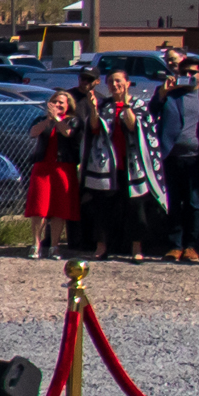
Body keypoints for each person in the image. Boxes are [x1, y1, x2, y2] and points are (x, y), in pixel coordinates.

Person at [80, 69, 166, 261]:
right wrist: (93, 109)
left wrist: (126, 105)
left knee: (136, 208)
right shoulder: (104, 105)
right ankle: (101, 247)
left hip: (132, 166)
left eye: (118, 81)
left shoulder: (139, 105)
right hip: (108, 167)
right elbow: (94, 128)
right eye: (110, 82)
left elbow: (133, 126)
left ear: (128, 83)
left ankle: (137, 248)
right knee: (103, 208)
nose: (114, 85)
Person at [147, 54, 199, 264]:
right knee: (174, 202)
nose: (188, 76)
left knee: (194, 202)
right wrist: (162, 93)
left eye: (193, 73)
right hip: (172, 156)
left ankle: (192, 245)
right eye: (184, 73)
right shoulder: (171, 95)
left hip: (198, 157)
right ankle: (175, 245)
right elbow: (150, 113)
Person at [20, 90, 82, 258]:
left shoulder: (73, 120)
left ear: (68, 105)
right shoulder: (42, 120)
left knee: (59, 208)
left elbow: (68, 133)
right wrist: (48, 119)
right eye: (55, 102)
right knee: (39, 207)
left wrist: (57, 119)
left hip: (63, 168)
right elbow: (33, 133)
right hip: (42, 168)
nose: (58, 105)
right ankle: (36, 244)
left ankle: (54, 246)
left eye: (62, 102)